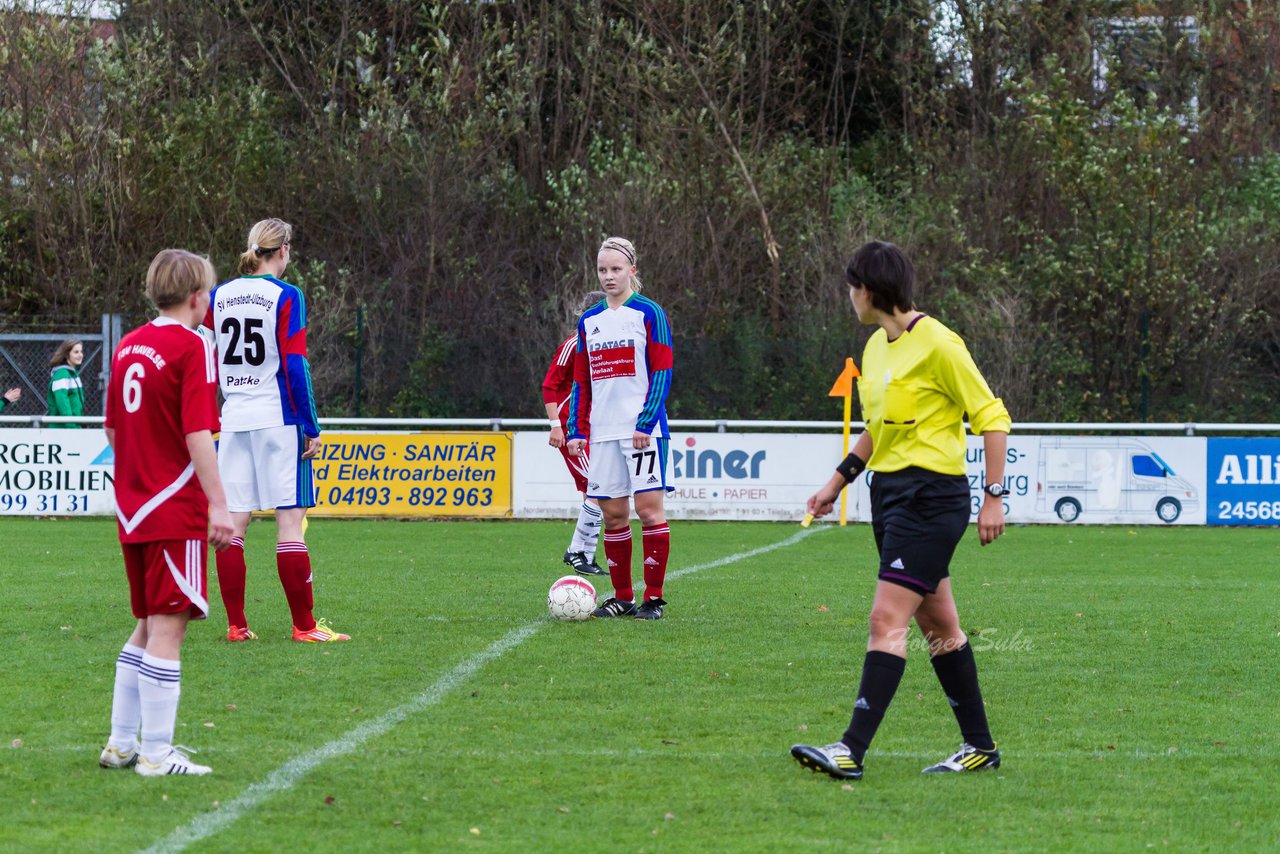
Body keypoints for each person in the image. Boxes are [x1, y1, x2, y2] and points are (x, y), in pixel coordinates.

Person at [791, 240, 1011, 781]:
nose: (849, 296)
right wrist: (836, 483)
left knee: (885, 618)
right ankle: (980, 746)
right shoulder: (873, 349)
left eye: (851, 286)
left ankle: (850, 749)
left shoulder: (940, 343)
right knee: (940, 626)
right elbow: (877, 429)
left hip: (932, 499)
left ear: (869, 290)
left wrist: (993, 496)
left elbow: (993, 416)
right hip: (888, 498)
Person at [99, 249, 234, 777]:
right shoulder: (194, 345)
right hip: (173, 505)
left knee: (147, 623)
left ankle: (120, 743)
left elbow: (111, 429)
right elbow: (198, 432)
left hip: (133, 508)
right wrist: (218, 503)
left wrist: (141, 471)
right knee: (168, 629)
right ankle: (155, 752)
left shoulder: (129, 345)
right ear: (198, 297)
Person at [206, 218, 349, 643]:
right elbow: (295, 364)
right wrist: (311, 425)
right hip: (277, 419)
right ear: (283, 250)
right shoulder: (287, 296)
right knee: (289, 524)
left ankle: (236, 626)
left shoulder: (219, 296)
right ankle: (304, 627)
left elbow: (205, 359)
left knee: (233, 526)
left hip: (233, 422)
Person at [566, 237, 674, 620]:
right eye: (603, 270)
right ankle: (623, 597)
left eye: (616, 269)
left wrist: (645, 420)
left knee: (648, 512)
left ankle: (654, 599)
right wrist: (577, 429)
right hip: (602, 433)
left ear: (632, 270)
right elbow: (582, 380)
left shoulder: (649, 313)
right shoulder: (589, 320)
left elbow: (662, 369)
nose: (609, 276)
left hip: (642, 432)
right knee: (613, 516)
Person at [543, 291, 608, 577]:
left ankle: (585, 554)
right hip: (572, 428)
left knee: (590, 490)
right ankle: (577, 550)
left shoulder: (601, 344)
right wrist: (555, 424)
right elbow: (550, 385)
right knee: (599, 485)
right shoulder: (574, 343)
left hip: (590, 428)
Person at [46, 338, 85, 427]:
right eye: (76, 352)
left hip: (73, 428)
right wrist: (71, 428)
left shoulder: (73, 374)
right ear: (67, 355)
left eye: (81, 351)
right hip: (63, 430)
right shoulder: (62, 374)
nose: (80, 355)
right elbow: (63, 404)